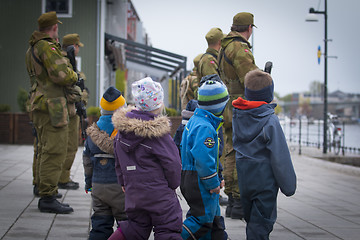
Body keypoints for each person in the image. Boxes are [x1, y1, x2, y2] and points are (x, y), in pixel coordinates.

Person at [109, 77, 182, 240]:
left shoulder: (122, 132)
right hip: (159, 193)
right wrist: (173, 184)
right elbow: (173, 163)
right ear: (158, 104)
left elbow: (119, 160)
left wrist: (123, 182)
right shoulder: (158, 133)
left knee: (135, 226)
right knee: (168, 226)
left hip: (133, 191)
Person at [232, 69, 297, 239]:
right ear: (269, 95)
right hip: (264, 182)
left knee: (251, 221)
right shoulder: (270, 121)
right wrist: (289, 186)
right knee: (261, 224)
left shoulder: (238, 115)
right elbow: (280, 156)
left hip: (244, 178)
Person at [25, 11, 78, 214]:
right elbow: (61, 75)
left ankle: (41, 186)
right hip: (52, 105)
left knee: (42, 148)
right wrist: (73, 75)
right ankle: (48, 196)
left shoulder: (32, 48)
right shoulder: (46, 46)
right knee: (54, 150)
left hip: (39, 104)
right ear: (54, 27)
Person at [217, 12, 259, 219]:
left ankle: (233, 202)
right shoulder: (240, 49)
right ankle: (240, 201)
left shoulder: (225, 46)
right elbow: (251, 80)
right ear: (249, 28)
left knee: (231, 152)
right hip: (242, 107)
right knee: (244, 152)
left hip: (228, 106)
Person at [180, 74, 229, 240]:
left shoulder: (196, 120)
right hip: (199, 179)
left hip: (192, 176)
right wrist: (213, 182)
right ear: (219, 106)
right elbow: (203, 159)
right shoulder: (205, 127)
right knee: (201, 219)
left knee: (213, 219)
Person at [83, 86, 127, 240]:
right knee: (125, 226)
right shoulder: (125, 131)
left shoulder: (92, 132)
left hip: (98, 186)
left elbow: (87, 161)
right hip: (120, 188)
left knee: (100, 225)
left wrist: (88, 183)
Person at [57, 33, 87, 190]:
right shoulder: (65, 62)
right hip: (69, 110)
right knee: (69, 146)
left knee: (67, 145)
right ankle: (62, 178)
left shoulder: (68, 62)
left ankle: (62, 177)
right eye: (77, 47)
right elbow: (73, 87)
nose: (78, 50)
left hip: (69, 108)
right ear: (72, 46)